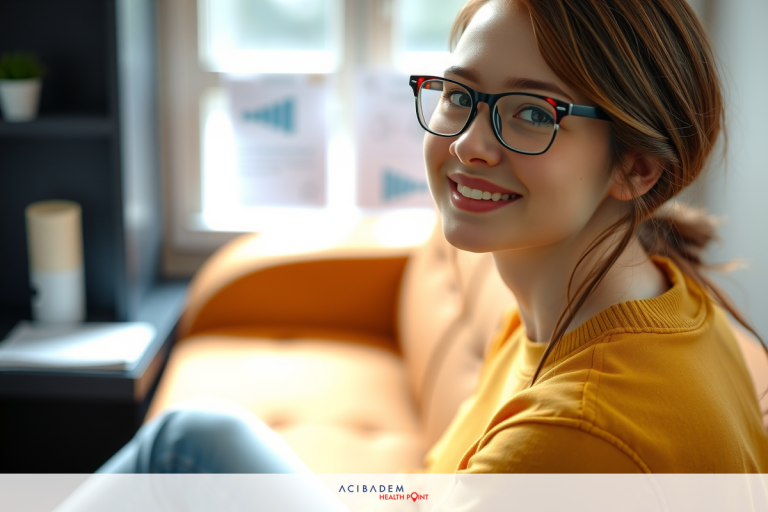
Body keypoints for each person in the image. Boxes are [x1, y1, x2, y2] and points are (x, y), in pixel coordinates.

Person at [99, 0, 768, 475]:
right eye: (460, 94)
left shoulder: (576, 436)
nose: (470, 144)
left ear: (635, 166)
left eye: (533, 112)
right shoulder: (590, 310)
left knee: (186, 444)